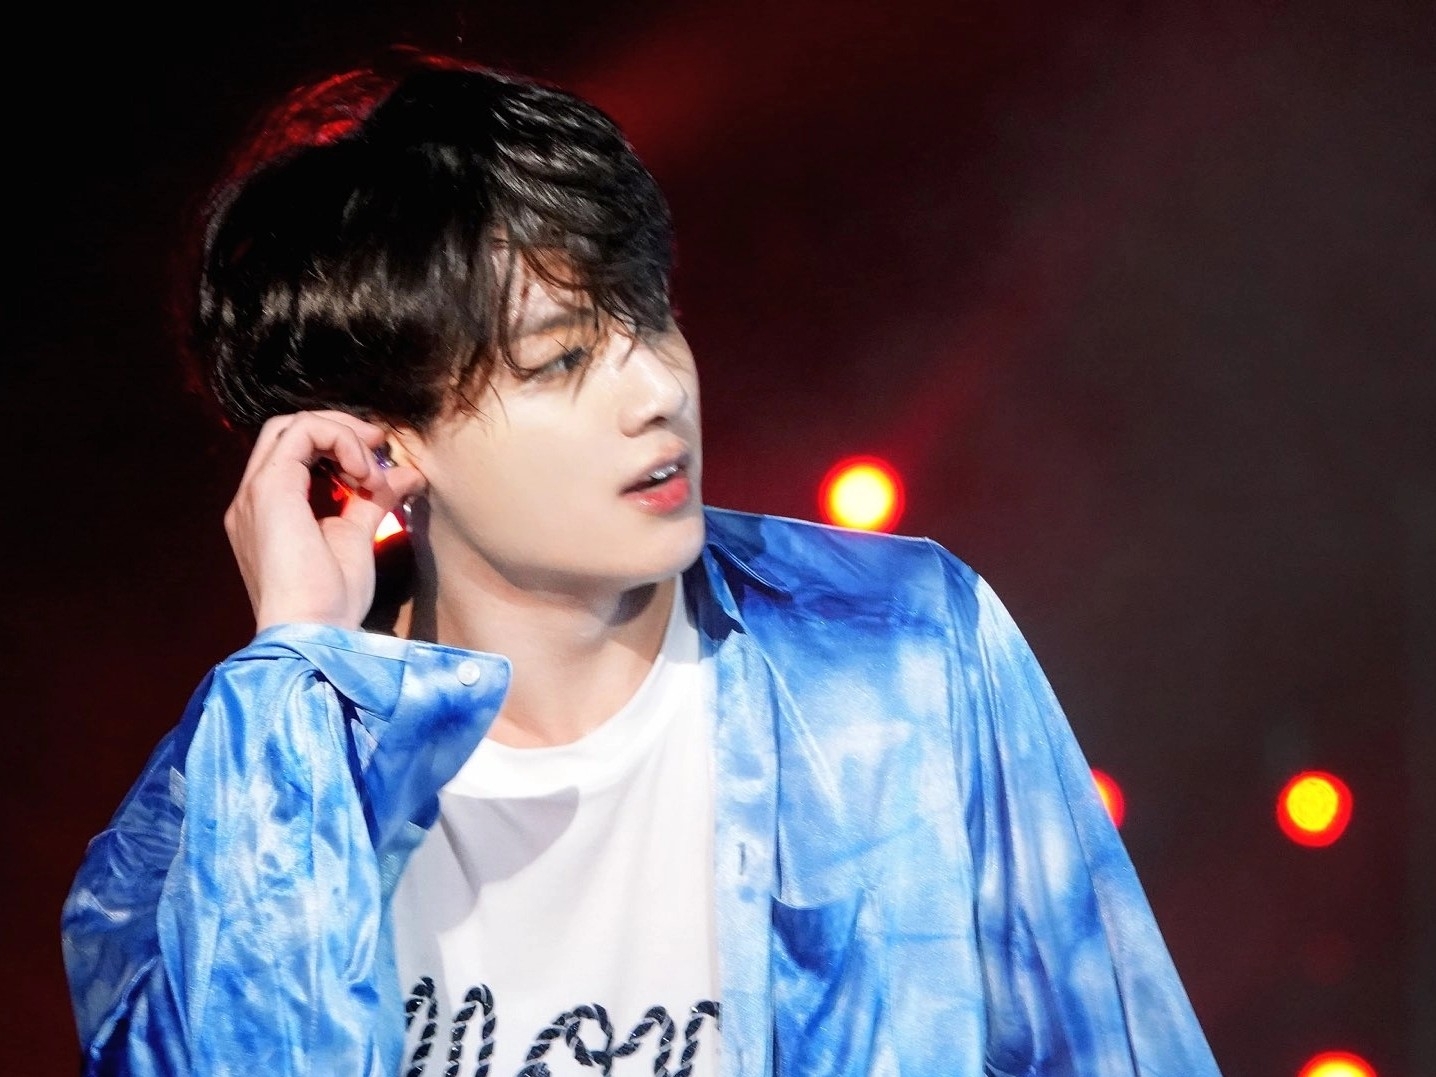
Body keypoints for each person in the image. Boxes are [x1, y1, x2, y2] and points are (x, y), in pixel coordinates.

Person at [61, 47, 1223, 1077]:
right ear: (387, 446)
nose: (657, 388)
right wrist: (296, 672)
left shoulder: (895, 654)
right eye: (560, 361)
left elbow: (1112, 1047)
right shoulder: (247, 778)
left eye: (648, 315)